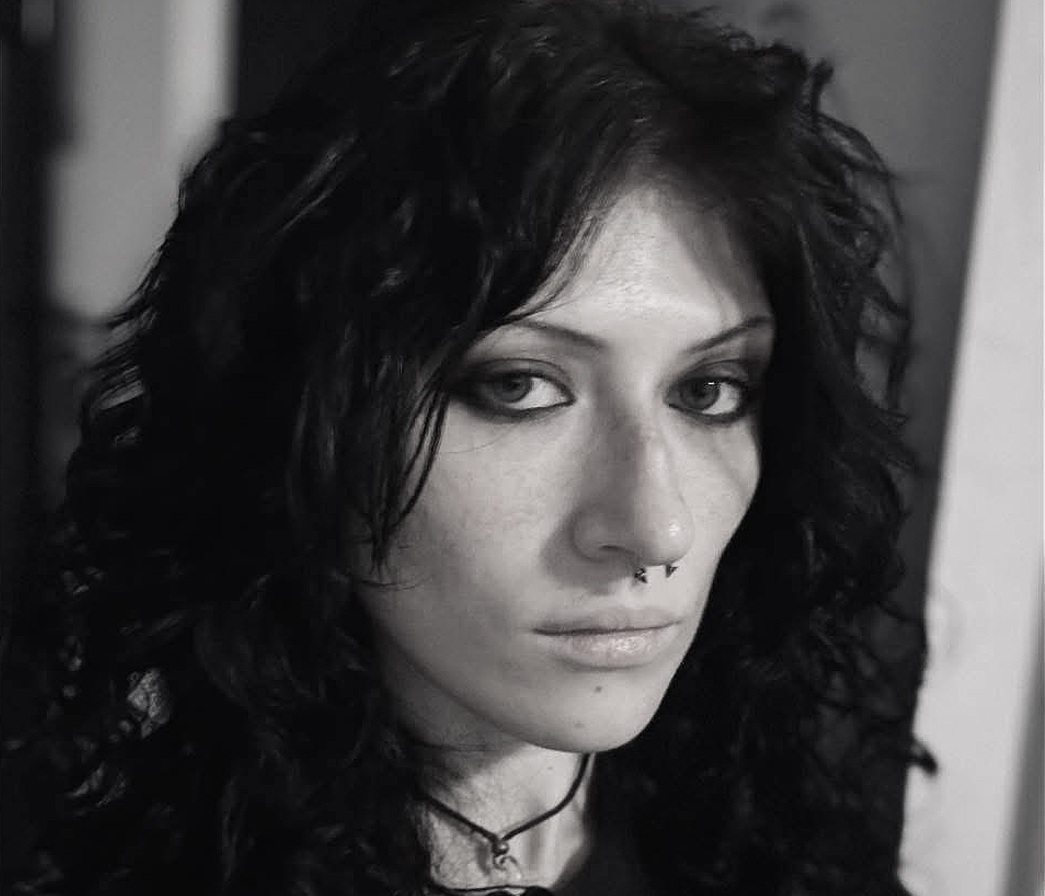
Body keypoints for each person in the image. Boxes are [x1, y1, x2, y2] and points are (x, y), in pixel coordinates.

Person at [1, 1, 932, 893]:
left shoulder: (790, 851)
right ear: (306, 420)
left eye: (708, 390)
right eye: (517, 386)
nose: (657, 530)